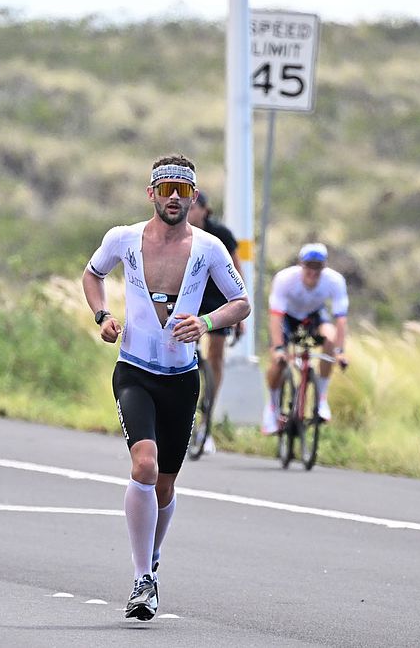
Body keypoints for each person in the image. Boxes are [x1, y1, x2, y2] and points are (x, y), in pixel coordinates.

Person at [82, 154, 250, 621]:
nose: (174, 198)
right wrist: (103, 316)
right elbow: (92, 275)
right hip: (134, 371)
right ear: (151, 194)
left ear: (194, 196)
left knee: (166, 486)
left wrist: (207, 322)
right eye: (165, 189)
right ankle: (142, 579)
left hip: (180, 378)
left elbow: (242, 302)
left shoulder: (210, 248)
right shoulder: (123, 238)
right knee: (145, 465)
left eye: (182, 190)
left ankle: (151, 562)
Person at [263, 242, 349, 432]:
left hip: (313, 316)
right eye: (309, 266)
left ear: (324, 266)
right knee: (278, 363)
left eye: (317, 267)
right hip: (287, 318)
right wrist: (278, 349)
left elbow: (341, 320)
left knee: (330, 338)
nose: (313, 271)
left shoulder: (334, 281)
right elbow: (276, 317)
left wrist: (340, 352)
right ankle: (272, 408)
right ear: (301, 264)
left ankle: (322, 399)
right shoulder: (285, 278)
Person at [185, 190, 245, 455]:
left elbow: (237, 269)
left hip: (218, 298)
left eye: (194, 207)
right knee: (185, 347)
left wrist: (240, 314)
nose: (190, 213)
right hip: (192, 295)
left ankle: (207, 414)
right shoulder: (180, 232)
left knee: (216, 352)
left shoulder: (221, 234)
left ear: (205, 210)